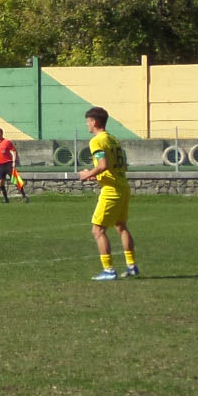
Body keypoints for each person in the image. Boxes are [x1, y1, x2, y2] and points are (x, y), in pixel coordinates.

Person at [76, 106, 137, 280]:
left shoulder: (96, 141)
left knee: (97, 230)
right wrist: (97, 176)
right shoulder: (113, 139)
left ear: (94, 122)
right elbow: (119, 167)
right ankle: (131, 266)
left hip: (111, 191)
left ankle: (109, 270)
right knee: (121, 226)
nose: (87, 125)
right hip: (123, 187)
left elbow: (103, 165)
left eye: (88, 121)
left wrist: (87, 174)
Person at [0, 127, 28, 203]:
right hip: (1, 165)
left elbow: (14, 151)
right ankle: (6, 199)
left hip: (8, 164)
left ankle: (24, 196)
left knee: (16, 180)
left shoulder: (7, 142)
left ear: (2, 133)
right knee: (1, 182)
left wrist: (13, 161)